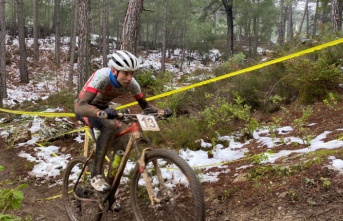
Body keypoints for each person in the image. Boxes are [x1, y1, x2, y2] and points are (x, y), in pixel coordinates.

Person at [75, 50, 172, 192]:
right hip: (86, 109)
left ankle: (109, 190)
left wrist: (160, 112)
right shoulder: (102, 77)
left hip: (105, 109)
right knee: (109, 125)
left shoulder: (132, 84)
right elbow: (80, 106)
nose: (129, 77)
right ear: (114, 70)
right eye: (125, 73)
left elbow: (145, 106)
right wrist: (100, 112)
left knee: (122, 136)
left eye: (132, 73)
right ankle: (96, 176)